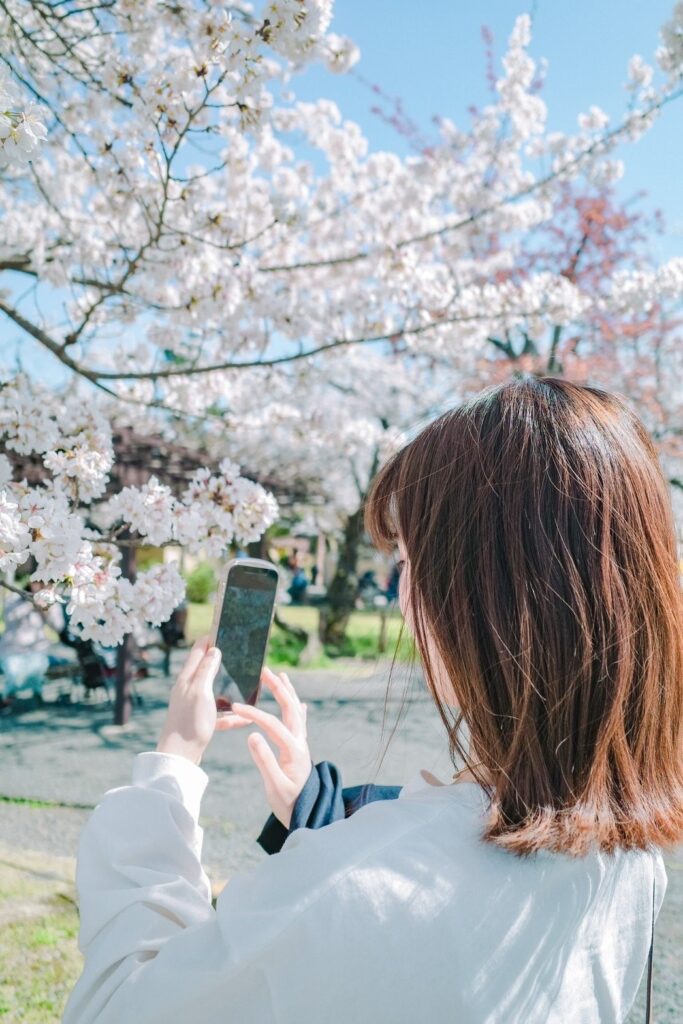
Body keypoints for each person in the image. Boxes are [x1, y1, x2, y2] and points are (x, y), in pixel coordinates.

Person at [64, 376, 683, 1024]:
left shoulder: (355, 887)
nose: (400, 597)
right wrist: (320, 819)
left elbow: (120, 1006)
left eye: (409, 562)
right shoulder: (625, 859)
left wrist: (171, 771)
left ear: (477, 596)